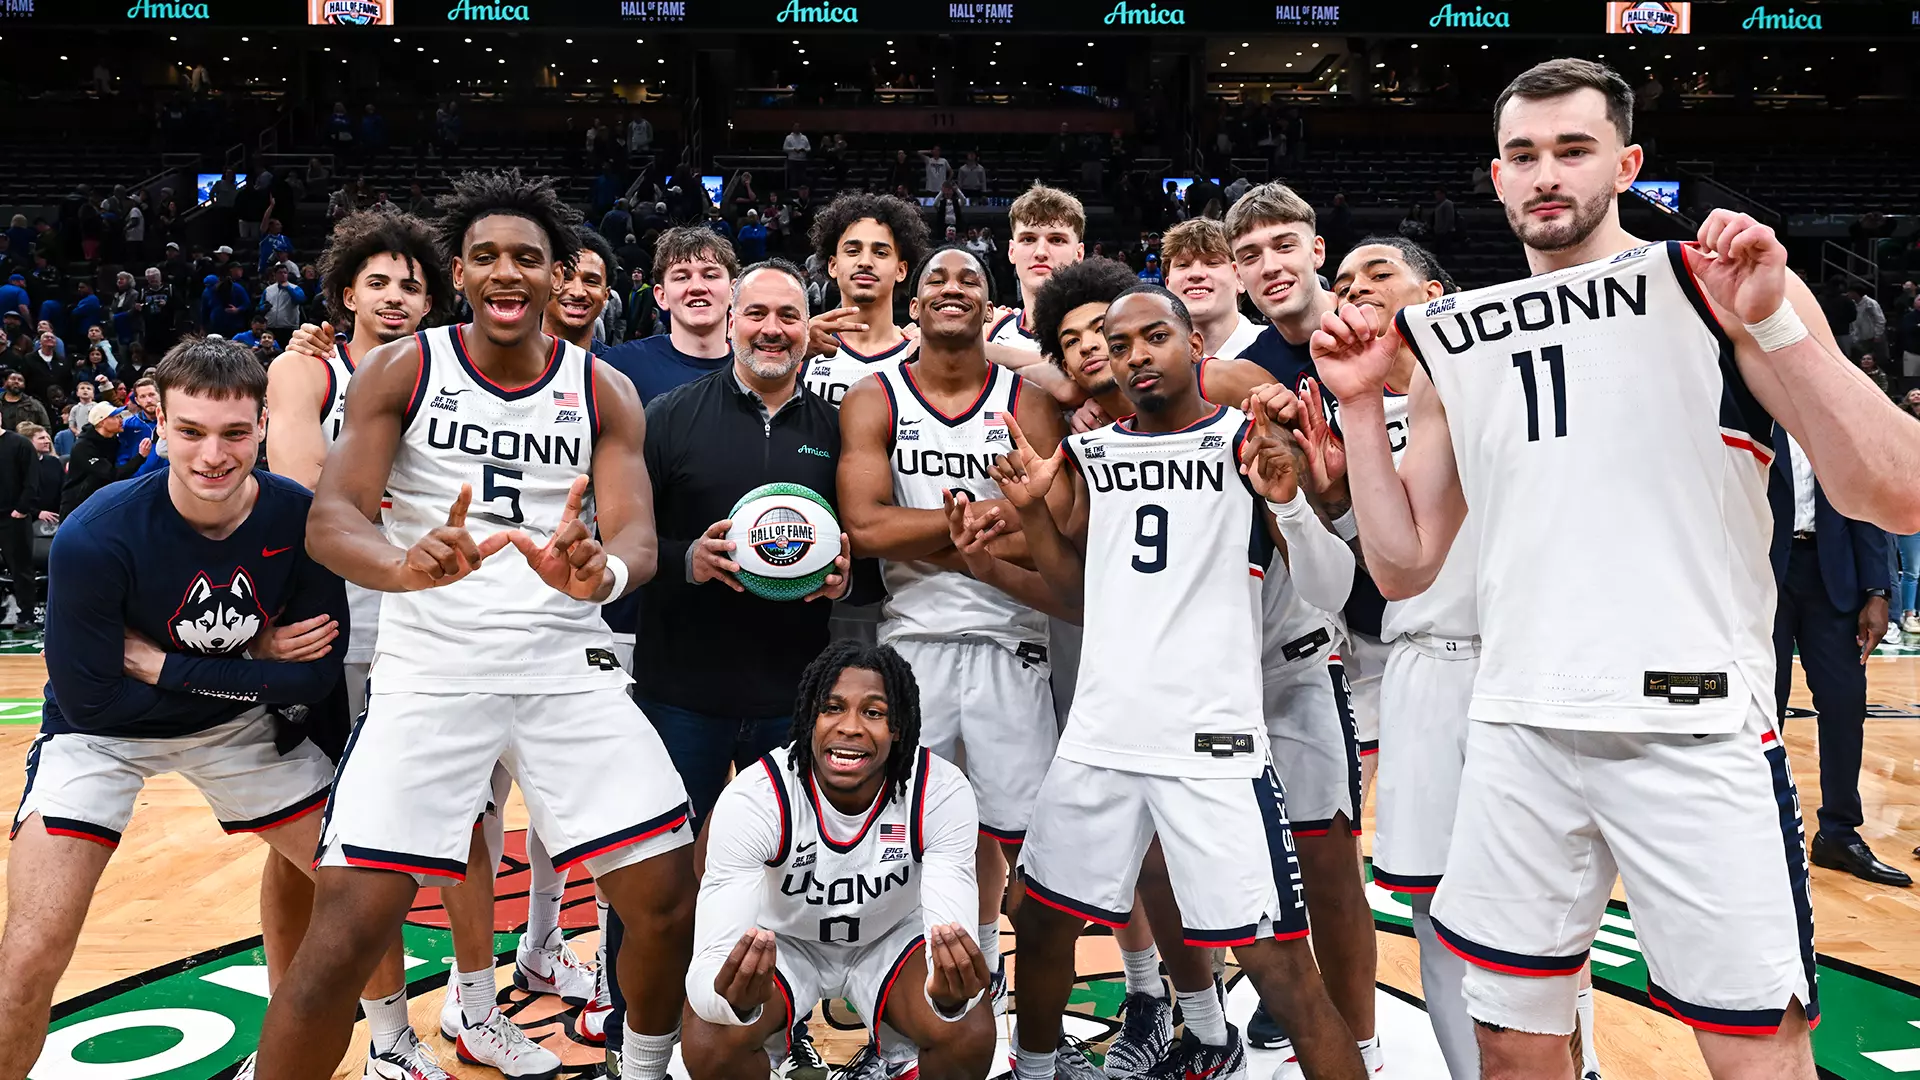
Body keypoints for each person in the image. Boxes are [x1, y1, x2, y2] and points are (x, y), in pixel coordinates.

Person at [1321, 58, 1920, 1079]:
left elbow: (1894, 491)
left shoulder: (1710, 283)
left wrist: (1774, 320)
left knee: (1755, 1054)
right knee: (1511, 1049)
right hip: (1516, 720)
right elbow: (1408, 564)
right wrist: (1353, 416)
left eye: (1572, 149)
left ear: (1628, 163)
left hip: (1691, 726)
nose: (1546, 173)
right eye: (1523, 155)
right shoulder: (1458, 338)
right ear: (1497, 178)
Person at [257, 170, 699, 1080]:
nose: (508, 272)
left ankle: (646, 1068)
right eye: (488, 256)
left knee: (663, 896)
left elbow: (638, 539)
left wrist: (598, 572)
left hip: (564, 667)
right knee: (343, 933)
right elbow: (330, 518)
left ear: (557, 275)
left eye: (528, 259)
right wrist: (400, 564)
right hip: (432, 671)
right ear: (459, 271)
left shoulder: (603, 386)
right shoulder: (403, 366)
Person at [978, 284, 1365, 1080]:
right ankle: (1036, 1069)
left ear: (1196, 346)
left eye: (1155, 337)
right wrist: (1039, 518)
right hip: (1101, 736)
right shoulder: (1089, 454)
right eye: (1119, 347)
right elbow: (1082, 596)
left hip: (1213, 746)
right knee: (1038, 920)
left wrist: (1288, 508)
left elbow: (1331, 587)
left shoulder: (1245, 442)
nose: (1135, 356)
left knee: (1281, 971)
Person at [0, 340, 351, 1078]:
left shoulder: (300, 519)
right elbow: (95, 697)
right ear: (158, 426)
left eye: (233, 433)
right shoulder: (98, 532)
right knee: (28, 956)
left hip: (236, 732)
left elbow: (314, 682)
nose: (212, 455)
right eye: (191, 431)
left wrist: (165, 664)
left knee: (367, 903)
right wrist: (251, 664)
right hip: (100, 738)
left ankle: (374, 1049)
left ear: (263, 425)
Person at [839, 246, 1075, 1018]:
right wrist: (978, 529)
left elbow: (1053, 531)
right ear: (915, 303)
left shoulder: (1029, 399)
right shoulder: (875, 396)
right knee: (907, 840)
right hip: (913, 648)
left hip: (1015, 642)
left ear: (990, 303)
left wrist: (943, 535)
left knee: (1027, 850)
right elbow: (865, 526)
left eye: (967, 279)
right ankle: (903, 1009)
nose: (950, 288)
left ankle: (992, 991)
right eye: (936, 278)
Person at [266, 209, 467, 1077]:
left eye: (411, 285)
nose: (395, 297)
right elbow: (307, 487)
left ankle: (407, 1022)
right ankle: (350, 1026)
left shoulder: (442, 369)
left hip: (425, 619)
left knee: (415, 829)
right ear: (346, 291)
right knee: (312, 833)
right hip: (332, 617)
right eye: (378, 282)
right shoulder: (307, 365)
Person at [1322, 235, 1488, 1077]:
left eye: (1376, 274)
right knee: (1430, 908)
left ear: (1434, 288)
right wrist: (1316, 498)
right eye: (1343, 283)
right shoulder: (1341, 411)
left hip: (1510, 664)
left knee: (1534, 917)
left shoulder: (1494, 365)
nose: (1355, 291)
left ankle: (1587, 1060)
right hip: (1418, 662)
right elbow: (1367, 568)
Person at [1220, 183, 1379, 1059]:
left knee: (1347, 862)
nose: (1270, 266)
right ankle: (1303, 1017)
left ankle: (1364, 1042)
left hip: (1430, 623)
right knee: (1302, 854)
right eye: (1251, 256)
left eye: (1284, 245)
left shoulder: (1386, 341)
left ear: (1319, 248)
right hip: (1327, 624)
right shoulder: (1249, 372)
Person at [682, 642, 994, 1080]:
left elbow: (950, 926)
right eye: (832, 708)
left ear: (899, 727)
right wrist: (732, 1001)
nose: (850, 727)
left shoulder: (940, 790)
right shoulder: (757, 796)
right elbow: (708, 970)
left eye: (873, 712)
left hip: (889, 940)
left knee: (967, 1031)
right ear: (811, 719)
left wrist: (949, 997)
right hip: (785, 942)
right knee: (710, 1041)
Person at [1771, 430, 1905, 886]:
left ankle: (1839, 834)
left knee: (1846, 705)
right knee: (1763, 710)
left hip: (1832, 576)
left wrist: (1878, 592)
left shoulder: (1829, 418)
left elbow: (1862, 507)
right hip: (1761, 573)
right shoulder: (1744, 407)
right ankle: (1759, 831)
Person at [801, 192, 930, 406]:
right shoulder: (801, 354)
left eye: (880, 253)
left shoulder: (921, 355)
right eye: (853, 251)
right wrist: (791, 349)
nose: (865, 262)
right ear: (833, 266)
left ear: (901, 269)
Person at [602, 228, 739, 404]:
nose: (697, 287)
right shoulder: (620, 366)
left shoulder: (759, 372)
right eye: (682, 277)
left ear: (733, 292)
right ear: (661, 296)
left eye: (710, 275)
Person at [59, 402, 147, 516]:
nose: (121, 420)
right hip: (78, 506)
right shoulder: (84, 447)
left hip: (101, 503)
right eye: (116, 417)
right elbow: (112, 475)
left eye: (120, 416)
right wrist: (140, 457)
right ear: (102, 422)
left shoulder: (113, 439)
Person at [0, 421, 36, 630]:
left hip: (13, 516)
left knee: (20, 567)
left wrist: (22, 508)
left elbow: (32, 479)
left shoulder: (20, 444)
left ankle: (27, 615)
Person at [783, 123, 812, 192]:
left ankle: (803, 192)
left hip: (802, 160)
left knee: (802, 177)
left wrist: (804, 150)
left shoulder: (804, 137)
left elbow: (809, 148)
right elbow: (785, 148)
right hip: (792, 159)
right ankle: (792, 192)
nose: (797, 128)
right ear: (793, 128)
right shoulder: (788, 137)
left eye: (798, 127)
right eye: (795, 127)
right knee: (793, 177)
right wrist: (793, 149)